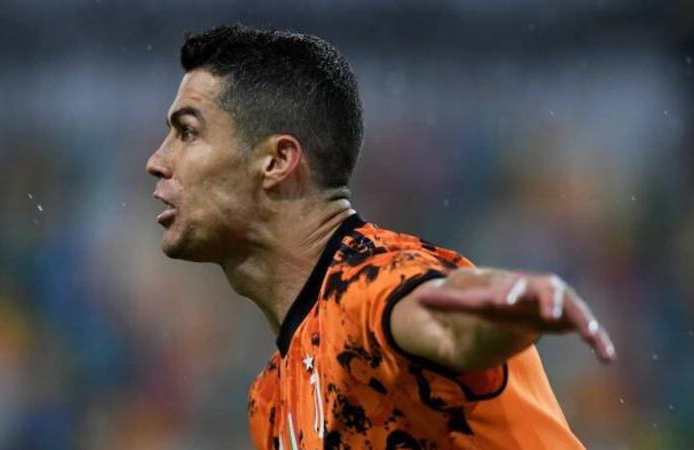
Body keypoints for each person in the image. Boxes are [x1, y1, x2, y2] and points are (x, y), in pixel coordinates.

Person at [146, 24, 615, 450]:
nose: (157, 161)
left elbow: (441, 318)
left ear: (277, 161)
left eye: (187, 132)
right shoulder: (269, 403)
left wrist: (499, 310)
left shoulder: (370, 287)